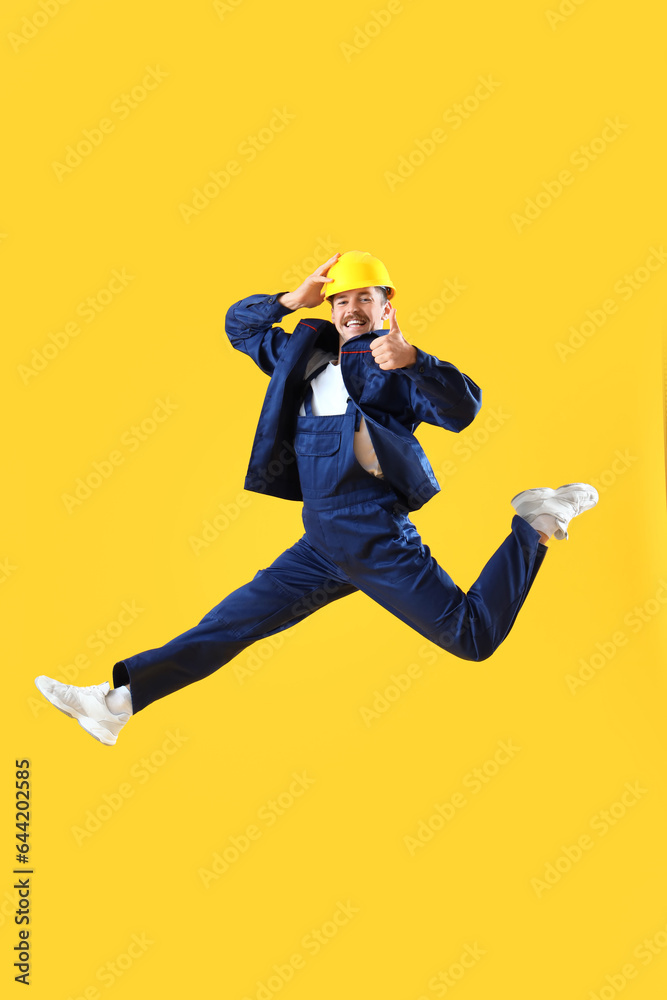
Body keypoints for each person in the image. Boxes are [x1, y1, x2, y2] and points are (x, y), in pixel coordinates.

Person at [35, 250, 598, 745]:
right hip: (321, 541)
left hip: (376, 538)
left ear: (386, 304)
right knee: (228, 626)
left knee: (472, 637)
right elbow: (238, 326)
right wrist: (290, 298)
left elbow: (463, 408)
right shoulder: (300, 356)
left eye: (365, 298)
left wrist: (416, 361)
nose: (352, 308)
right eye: (341, 299)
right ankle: (114, 706)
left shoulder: (395, 364)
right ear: (329, 308)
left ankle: (537, 520)